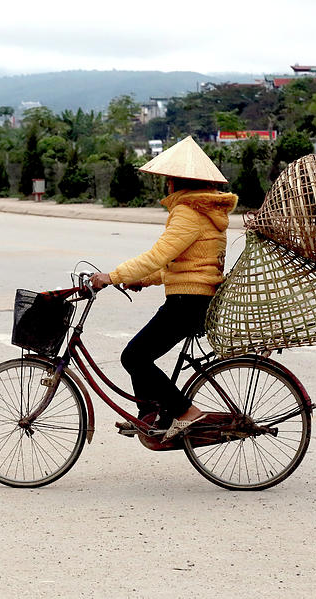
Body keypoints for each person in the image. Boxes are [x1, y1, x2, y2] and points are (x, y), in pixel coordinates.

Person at [90, 137, 238, 442]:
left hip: (187, 302)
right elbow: (185, 263)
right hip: (194, 298)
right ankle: (153, 416)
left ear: (175, 182)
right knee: (139, 356)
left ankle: (185, 412)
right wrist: (141, 280)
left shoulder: (188, 213)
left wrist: (112, 276)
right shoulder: (205, 211)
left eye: (167, 180)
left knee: (134, 357)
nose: (166, 185)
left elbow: (158, 256)